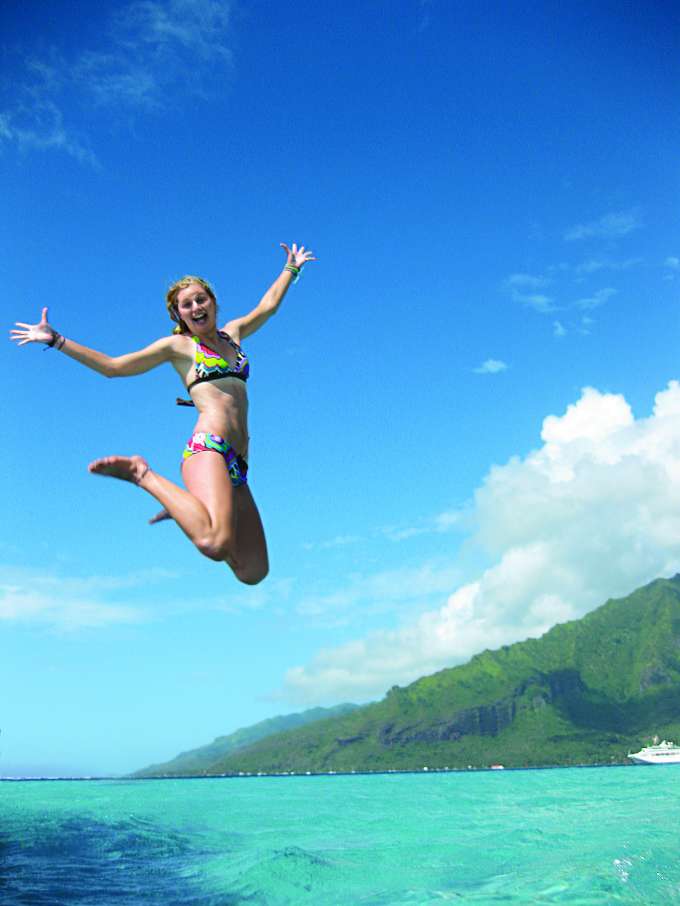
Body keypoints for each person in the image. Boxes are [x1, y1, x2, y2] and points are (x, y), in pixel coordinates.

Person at [10, 243, 315, 585]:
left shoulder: (234, 334)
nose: (196, 307)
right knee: (214, 543)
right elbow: (114, 367)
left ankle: (186, 509)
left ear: (213, 302)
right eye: (187, 305)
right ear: (179, 315)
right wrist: (57, 340)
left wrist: (291, 268)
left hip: (239, 463)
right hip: (209, 447)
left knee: (253, 571)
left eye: (201, 299)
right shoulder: (179, 347)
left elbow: (268, 306)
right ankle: (141, 473)